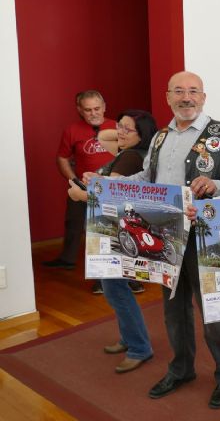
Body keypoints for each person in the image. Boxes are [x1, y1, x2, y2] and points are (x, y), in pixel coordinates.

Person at [125, 71, 220, 409]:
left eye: (193, 91)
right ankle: (181, 369)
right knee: (173, 308)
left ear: (204, 97)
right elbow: (146, 177)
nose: (186, 98)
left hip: (205, 234)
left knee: (214, 308)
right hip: (166, 233)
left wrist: (215, 185)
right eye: (179, 91)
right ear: (167, 97)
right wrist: (109, 179)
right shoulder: (161, 137)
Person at [69, 109, 158, 373]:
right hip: (117, 231)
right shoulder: (127, 151)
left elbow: (113, 198)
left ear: (142, 136)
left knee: (116, 291)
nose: (118, 131)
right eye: (119, 125)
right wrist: (124, 130)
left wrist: (79, 195)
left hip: (119, 232)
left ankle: (140, 347)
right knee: (114, 289)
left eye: (127, 129)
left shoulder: (131, 157)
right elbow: (105, 135)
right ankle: (130, 338)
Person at [44, 90, 116, 274]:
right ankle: (67, 259)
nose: (93, 113)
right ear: (80, 110)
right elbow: (62, 158)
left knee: (105, 229)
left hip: (111, 188)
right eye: (88, 109)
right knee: (73, 222)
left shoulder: (118, 127)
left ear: (104, 107)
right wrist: (73, 180)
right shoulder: (72, 130)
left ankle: (107, 274)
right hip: (82, 185)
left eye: (97, 108)